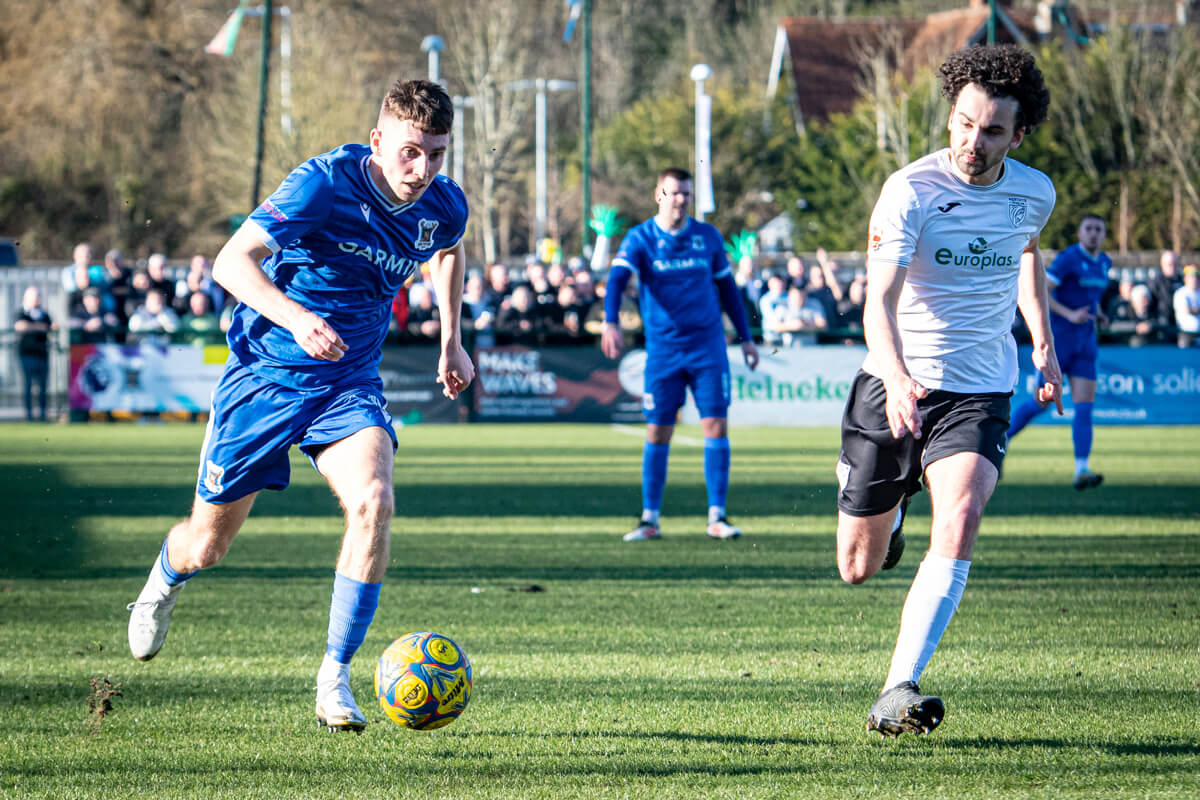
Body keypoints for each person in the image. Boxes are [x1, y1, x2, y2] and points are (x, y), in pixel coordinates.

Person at [125, 78, 473, 734]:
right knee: (207, 545)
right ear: (378, 142)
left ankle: (333, 678)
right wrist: (296, 318)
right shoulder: (324, 184)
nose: (422, 169)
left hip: (348, 384)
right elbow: (231, 262)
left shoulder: (444, 206)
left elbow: (449, 251)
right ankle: (160, 585)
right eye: (409, 152)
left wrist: (451, 339)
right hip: (265, 378)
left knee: (374, 501)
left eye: (436, 154)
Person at [834, 45, 1061, 738]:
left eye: (992, 131)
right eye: (964, 124)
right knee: (856, 567)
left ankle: (895, 689)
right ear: (952, 115)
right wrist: (898, 375)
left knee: (961, 516)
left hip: (980, 390)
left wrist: (1042, 342)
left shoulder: (1034, 192)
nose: (973, 142)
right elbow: (879, 302)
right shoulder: (911, 190)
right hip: (893, 381)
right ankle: (891, 517)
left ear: (1018, 135)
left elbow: (1025, 254)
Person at [601, 166, 759, 542]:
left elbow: (729, 293)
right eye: (674, 193)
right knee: (658, 429)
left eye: (687, 194)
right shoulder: (641, 238)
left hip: (707, 349)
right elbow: (616, 280)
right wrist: (610, 321)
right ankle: (649, 518)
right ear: (659, 194)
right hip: (664, 352)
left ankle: (717, 517)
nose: (681, 200)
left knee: (716, 426)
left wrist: (747, 337)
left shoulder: (707, 237)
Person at [1006, 214, 1110, 490]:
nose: (1093, 234)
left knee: (1085, 406)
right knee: (1042, 401)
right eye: (1088, 228)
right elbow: (1043, 293)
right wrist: (1069, 313)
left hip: (1086, 343)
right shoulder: (1068, 259)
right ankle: (1001, 440)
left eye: (1098, 229)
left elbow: (1092, 298)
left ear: (1104, 234)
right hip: (1059, 341)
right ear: (1079, 231)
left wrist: (1099, 314)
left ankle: (1081, 470)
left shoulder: (1104, 262)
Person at [14, 286, 55, 421]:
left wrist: (35, 327)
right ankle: (29, 416)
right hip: (27, 354)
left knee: (43, 387)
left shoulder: (43, 314)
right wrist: (38, 327)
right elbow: (20, 326)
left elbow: (52, 327)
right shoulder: (22, 313)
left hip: (42, 353)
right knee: (28, 385)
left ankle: (43, 415)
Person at [1174, 264, 1200, 347]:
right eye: (1191, 277)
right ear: (1185, 279)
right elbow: (1186, 310)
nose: (1194, 279)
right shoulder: (1180, 293)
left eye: (1196, 276)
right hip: (1185, 335)